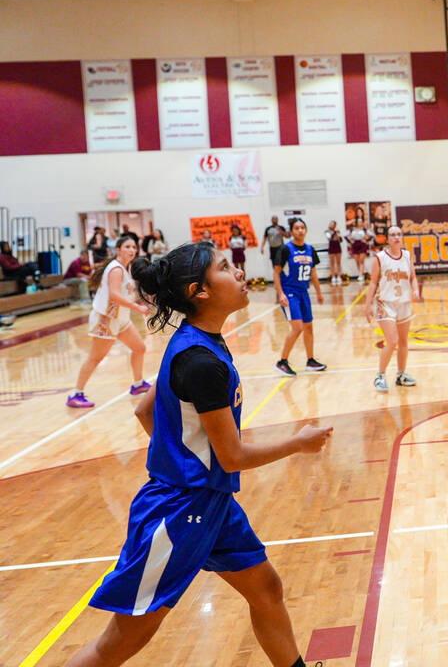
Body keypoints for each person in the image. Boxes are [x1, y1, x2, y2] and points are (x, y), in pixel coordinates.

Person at [64, 241, 332, 667]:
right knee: (117, 644)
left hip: (208, 502)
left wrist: (181, 461)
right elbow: (232, 458)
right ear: (199, 292)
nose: (239, 272)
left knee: (266, 589)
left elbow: (145, 409)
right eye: (225, 267)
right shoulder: (201, 361)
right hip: (179, 512)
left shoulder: (193, 341)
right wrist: (299, 442)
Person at [66, 233, 153, 408]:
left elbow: (124, 294)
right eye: (127, 247)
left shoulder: (124, 268)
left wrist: (141, 301)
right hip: (106, 319)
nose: (131, 250)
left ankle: (137, 384)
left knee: (139, 348)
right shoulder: (116, 269)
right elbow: (114, 295)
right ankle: (76, 394)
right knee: (95, 358)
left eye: (134, 247)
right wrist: (138, 308)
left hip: (120, 318)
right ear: (118, 249)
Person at [365, 225, 421, 390]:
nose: (396, 237)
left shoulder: (407, 255)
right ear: (387, 239)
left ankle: (401, 375)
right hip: (385, 303)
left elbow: (413, 277)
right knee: (392, 340)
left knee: (403, 341)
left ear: (402, 237)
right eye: (392, 235)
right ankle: (380, 376)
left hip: (403, 303)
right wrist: (367, 306)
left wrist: (416, 289)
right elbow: (373, 282)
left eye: (399, 234)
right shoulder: (380, 257)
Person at [272, 219, 325, 377]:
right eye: (296, 228)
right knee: (297, 327)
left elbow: (313, 274)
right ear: (292, 231)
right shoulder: (285, 249)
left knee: (308, 327)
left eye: (302, 228)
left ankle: (310, 360)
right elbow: (276, 273)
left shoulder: (310, 249)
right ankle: (282, 362)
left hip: (304, 292)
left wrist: (319, 292)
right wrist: (280, 293)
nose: (300, 230)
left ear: (306, 230)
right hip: (289, 293)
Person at [325, 221, 344, 285]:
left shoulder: (338, 231)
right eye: (330, 224)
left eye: (333, 224)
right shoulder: (327, 231)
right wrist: (335, 232)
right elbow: (330, 238)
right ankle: (333, 276)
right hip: (331, 246)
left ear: (335, 225)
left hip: (337, 246)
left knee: (338, 262)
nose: (331, 225)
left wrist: (339, 235)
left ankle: (339, 276)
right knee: (332, 262)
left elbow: (341, 240)